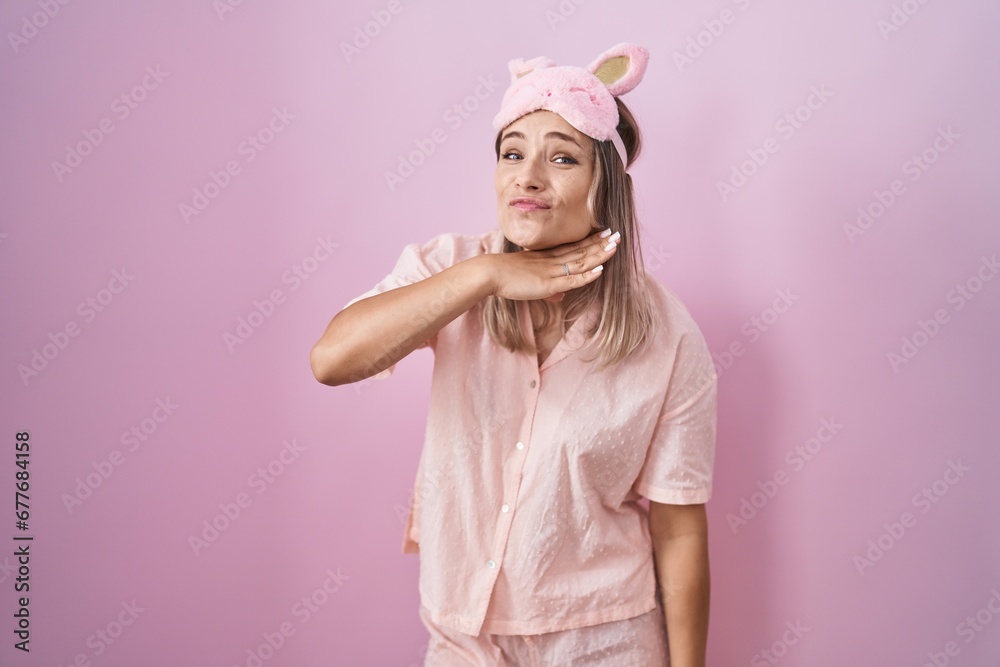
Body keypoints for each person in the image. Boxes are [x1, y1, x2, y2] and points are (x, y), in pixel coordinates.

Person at [311, 42, 718, 667]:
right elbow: (332, 360)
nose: (528, 177)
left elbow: (679, 527)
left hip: (604, 639)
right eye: (512, 153)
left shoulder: (668, 334)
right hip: (462, 640)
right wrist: (486, 277)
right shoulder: (446, 269)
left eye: (562, 157)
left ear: (605, 185)